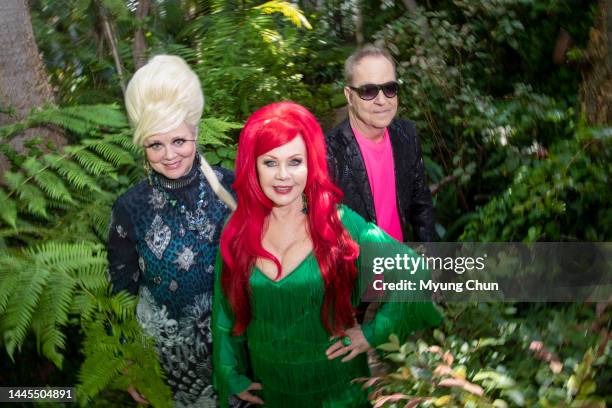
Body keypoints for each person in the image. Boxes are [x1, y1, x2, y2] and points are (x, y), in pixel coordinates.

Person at [213, 101, 442, 407]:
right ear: (253, 166)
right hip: (274, 390)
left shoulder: (339, 223)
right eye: (270, 162)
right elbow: (225, 310)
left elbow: (412, 271)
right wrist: (230, 372)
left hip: (339, 389)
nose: (283, 175)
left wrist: (373, 333)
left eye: (295, 161)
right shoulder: (237, 229)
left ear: (311, 165)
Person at [107, 55, 236, 407]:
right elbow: (120, 292)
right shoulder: (130, 208)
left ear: (195, 131)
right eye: (155, 145)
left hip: (238, 354)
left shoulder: (233, 188)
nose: (169, 155)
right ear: (142, 146)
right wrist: (129, 361)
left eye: (178, 141)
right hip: (169, 368)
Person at [326, 44, 436, 243]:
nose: (382, 100)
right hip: (356, 270)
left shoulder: (407, 135)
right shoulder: (329, 153)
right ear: (349, 96)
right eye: (368, 91)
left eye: (389, 89)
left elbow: (421, 205)